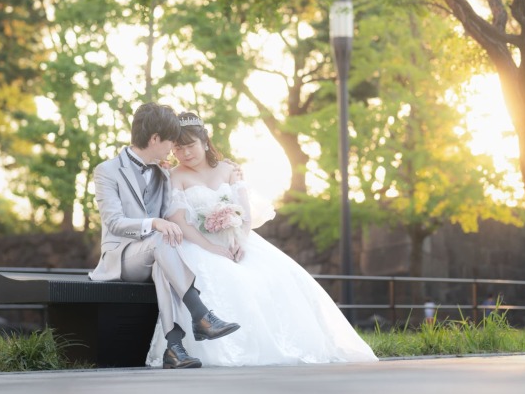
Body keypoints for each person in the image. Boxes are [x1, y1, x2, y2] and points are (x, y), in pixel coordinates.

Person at [145, 111, 378, 367]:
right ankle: (213, 338)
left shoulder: (229, 169)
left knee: (272, 278)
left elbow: (242, 212)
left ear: (205, 142)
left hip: (235, 240)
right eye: (178, 149)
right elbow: (179, 220)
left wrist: (239, 241)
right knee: (228, 279)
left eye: (190, 146)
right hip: (197, 242)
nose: (185, 154)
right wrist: (211, 246)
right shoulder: (177, 176)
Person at [90, 103, 240, 369]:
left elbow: (175, 214)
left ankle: (174, 347)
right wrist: (154, 223)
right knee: (161, 241)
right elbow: (114, 222)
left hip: (157, 255)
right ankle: (201, 315)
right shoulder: (107, 171)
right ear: (155, 138)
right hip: (123, 257)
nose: (174, 148)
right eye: (171, 141)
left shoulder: (162, 173)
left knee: (163, 254)